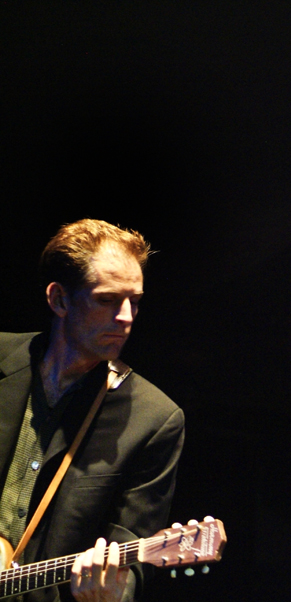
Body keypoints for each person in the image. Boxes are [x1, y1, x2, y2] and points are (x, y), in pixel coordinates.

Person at [0, 219, 184, 602]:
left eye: (134, 301)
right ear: (59, 299)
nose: (127, 317)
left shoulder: (153, 419)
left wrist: (113, 593)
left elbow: (134, 553)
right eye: (107, 300)